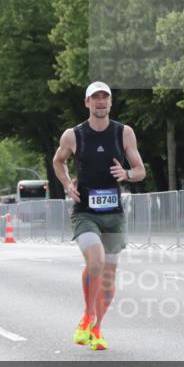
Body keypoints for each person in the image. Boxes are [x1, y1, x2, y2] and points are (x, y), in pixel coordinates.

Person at [52, 81, 146, 351]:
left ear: (110, 102)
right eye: (96, 98)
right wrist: (67, 183)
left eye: (105, 97)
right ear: (87, 103)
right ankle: (88, 315)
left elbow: (140, 170)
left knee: (108, 277)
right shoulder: (73, 135)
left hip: (114, 215)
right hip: (86, 212)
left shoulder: (124, 133)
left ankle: (96, 328)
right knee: (96, 261)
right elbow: (59, 161)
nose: (101, 102)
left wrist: (127, 174)